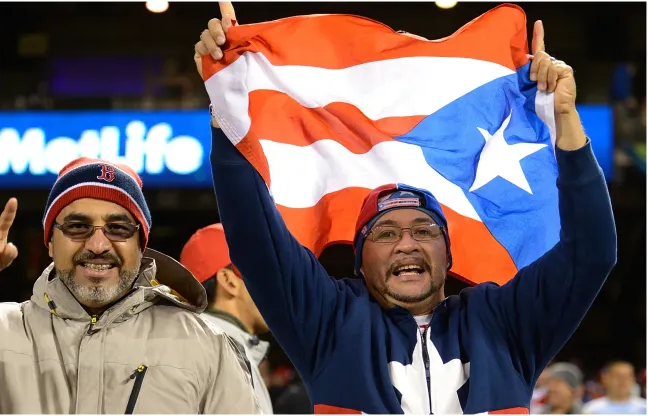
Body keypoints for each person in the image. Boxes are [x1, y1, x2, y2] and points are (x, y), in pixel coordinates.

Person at [195, 3, 617, 414]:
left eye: (425, 230)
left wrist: (566, 119)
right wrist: (229, 108)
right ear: (360, 262)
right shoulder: (329, 321)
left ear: (448, 255)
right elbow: (255, 241)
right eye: (385, 233)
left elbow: (592, 252)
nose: (406, 243)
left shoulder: (505, 321)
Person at [0, 157, 259, 414]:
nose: (97, 245)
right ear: (49, 243)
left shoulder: (207, 346)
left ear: (141, 245)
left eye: (119, 228)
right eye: (77, 227)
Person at [180, 223, 273, 413]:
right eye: (264, 272)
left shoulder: (200, 345)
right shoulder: (224, 355)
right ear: (229, 281)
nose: (277, 286)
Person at [582, 361, 647, 414]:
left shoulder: (644, 408)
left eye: (627, 377)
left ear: (634, 380)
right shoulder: (591, 410)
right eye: (618, 376)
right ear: (605, 379)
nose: (623, 381)